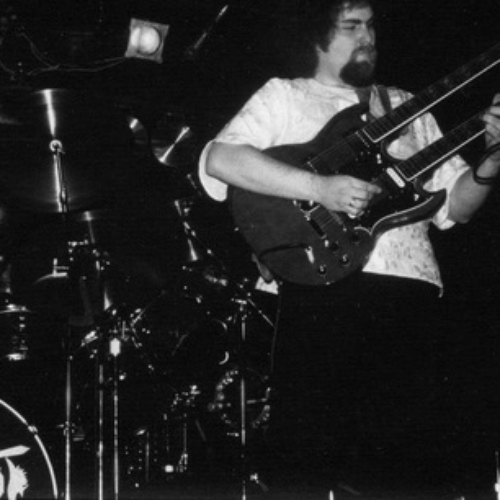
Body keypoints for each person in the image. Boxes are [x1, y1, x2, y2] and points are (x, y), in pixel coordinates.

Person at [198, 0, 500, 488]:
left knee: (402, 465)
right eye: (352, 26)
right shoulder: (287, 96)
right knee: (310, 457)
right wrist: (319, 188)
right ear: (318, 36)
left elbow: (455, 208)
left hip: (411, 291)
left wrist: (491, 161)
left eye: (372, 26)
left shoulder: (406, 104)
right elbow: (221, 160)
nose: (368, 37)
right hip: (322, 288)